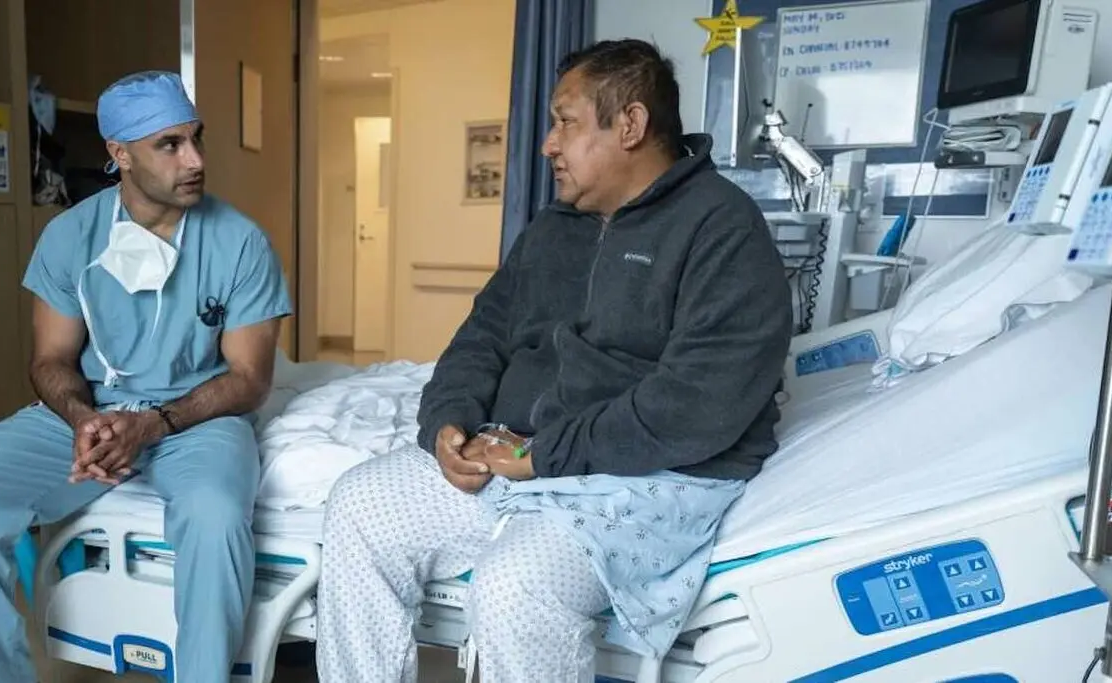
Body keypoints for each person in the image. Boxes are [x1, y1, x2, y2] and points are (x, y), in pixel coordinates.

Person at [315, 39, 793, 682]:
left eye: (565, 121)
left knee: (516, 586)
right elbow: (481, 336)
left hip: (645, 471)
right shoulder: (553, 228)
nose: (547, 144)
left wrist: (545, 455)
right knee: (359, 504)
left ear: (630, 124)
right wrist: (448, 422)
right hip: (521, 454)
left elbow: (700, 403)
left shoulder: (722, 228)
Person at [0, 71, 293, 683]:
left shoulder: (240, 243)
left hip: (198, 418)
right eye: (170, 144)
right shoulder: (70, 237)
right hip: (90, 411)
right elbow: (50, 360)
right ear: (120, 154)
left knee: (214, 514)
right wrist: (83, 419)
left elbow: (249, 379)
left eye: (196, 138)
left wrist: (151, 425)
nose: (195, 160)